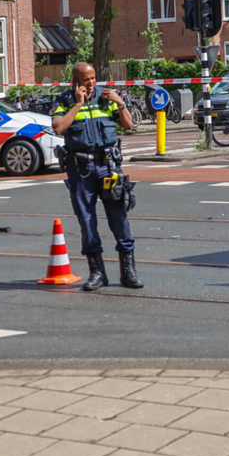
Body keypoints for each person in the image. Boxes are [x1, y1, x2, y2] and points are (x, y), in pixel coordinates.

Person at [51, 62, 142, 291]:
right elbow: (58, 127)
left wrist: (120, 103)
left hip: (109, 166)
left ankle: (128, 272)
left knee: (119, 219)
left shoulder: (106, 97)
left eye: (93, 78)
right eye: (86, 80)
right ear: (75, 81)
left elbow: (128, 124)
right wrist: (78, 104)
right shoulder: (64, 100)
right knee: (87, 221)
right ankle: (97, 273)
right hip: (81, 168)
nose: (91, 83)